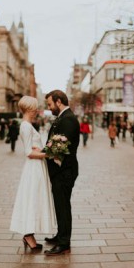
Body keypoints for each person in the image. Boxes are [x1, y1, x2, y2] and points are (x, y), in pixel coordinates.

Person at [9, 96, 56, 252]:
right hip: (33, 166)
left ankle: (30, 235)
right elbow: (28, 152)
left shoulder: (27, 125)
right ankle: (28, 235)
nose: (37, 110)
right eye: (35, 108)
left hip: (36, 166)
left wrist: (42, 151)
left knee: (34, 199)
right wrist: (48, 154)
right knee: (32, 198)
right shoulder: (26, 126)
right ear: (29, 108)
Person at [43, 90, 80, 256]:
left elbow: (59, 147)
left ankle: (64, 243)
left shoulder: (69, 119)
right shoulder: (63, 118)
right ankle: (61, 235)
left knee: (63, 206)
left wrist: (41, 153)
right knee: (60, 205)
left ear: (58, 101)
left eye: (50, 104)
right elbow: (53, 143)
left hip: (64, 171)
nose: (49, 108)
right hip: (61, 170)